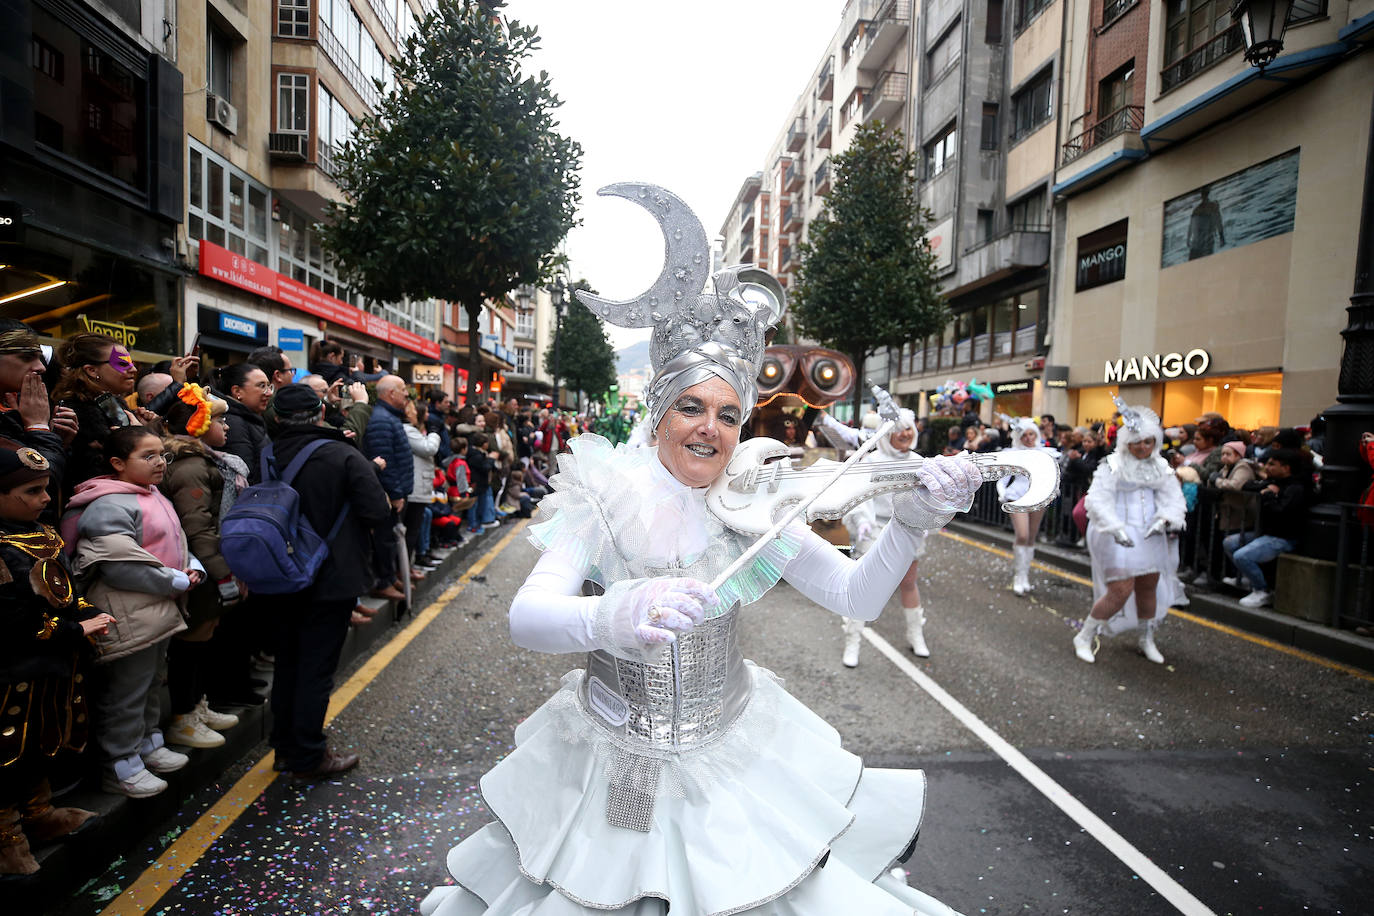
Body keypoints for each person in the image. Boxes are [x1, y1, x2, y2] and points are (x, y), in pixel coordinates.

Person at [420, 185, 980, 916]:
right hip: (624, 763)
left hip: (736, 749)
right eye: (690, 406)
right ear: (658, 412)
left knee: (761, 891)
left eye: (726, 413)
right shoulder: (604, 496)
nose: (709, 429)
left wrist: (910, 521)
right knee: (619, 890)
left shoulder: (754, 499)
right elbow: (527, 617)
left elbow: (853, 597)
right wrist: (614, 614)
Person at [63, 427, 202, 797]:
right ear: (117, 463)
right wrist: (177, 580)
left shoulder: (150, 494)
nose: (160, 463)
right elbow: (120, 564)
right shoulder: (109, 504)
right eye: (149, 456)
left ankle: (147, 746)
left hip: (154, 609)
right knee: (126, 692)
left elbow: (175, 539)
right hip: (129, 611)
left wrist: (193, 565)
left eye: (162, 455)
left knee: (151, 682)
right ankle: (120, 767)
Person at [262, 385, 392, 777]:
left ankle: (284, 748)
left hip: (276, 573)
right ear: (321, 412)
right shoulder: (342, 454)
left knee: (287, 663)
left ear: (279, 417)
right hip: (330, 576)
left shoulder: (266, 453)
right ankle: (308, 754)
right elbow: (377, 513)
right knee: (316, 668)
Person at [0, 440, 114, 876]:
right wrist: (73, 630)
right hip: (13, 673)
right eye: (31, 491)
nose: (46, 499)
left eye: (46, 488)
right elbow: (10, 622)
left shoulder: (44, 533)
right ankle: (8, 838)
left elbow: (65, 594)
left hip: (53, 667)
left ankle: (39, 814)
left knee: (41, 743)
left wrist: (86, 612)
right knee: (7, 752)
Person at [159, 385, 249, 750]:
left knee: (205, 635)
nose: (226, 426)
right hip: (202, 567)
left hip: (211, 564)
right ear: (198, 425)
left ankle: (197, 705)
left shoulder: (205, 460)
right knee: (192, 641)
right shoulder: (192, 465)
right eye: (218, 419)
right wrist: (223, 572)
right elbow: (198, 527)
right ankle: (183, 717)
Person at [817, 408, 932, 666]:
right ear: (886, 433)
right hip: (874, 529)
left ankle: (916, 635)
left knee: (909, 583)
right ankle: (853, 641)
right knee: (864, 587)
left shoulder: (919, 462)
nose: (905, 433)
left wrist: (926, 517)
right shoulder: (871, 460)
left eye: (908, 427)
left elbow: (926, 498)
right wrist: (863, 523)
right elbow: (859, 496)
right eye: (899, 428)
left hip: (908, 529)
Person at [1075, 402, 1185, 665]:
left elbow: (1174, 498)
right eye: (1138, 442)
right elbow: (1098, 499)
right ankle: (1084, 636)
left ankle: (1146, 638)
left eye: (1148, 442)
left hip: (1150, 533)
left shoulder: (1161, 466)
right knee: (1120, 590)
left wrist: (1166, 518)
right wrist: (1114, 526)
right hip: (1118, 534)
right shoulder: (1112, 464)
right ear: (1128, 442)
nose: (1143, 447)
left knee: (1148, 586)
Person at [0, 320, 75, 515]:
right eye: (27, 357)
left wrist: (55, 440)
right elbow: (35, 491)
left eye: (40, 358)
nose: (41, 367)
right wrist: (39, 428)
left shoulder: (11, 410)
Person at [50, 333, 140, 493]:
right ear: (91, 370)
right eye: (122, 363)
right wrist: (137, 436)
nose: (133, 369)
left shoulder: (111, 402)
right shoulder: (73, 411)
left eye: (131, 362)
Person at [1222, 449, 1310, 608]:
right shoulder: (1274, 483)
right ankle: (1247, 578)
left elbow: (1282, 512)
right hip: (1265, 533)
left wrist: (1269, 496)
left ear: (1286, 468)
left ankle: (1262, 590)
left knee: (1242, 556)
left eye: (1272, 464)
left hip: (1282, 536)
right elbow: (1248, 486)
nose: (1267, 467)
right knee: (1230, 543)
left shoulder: (1295, 488)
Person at [363, 375, 414, 595]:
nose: (407, 394)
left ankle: (390, 577)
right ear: (391, 393)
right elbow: (385, 460)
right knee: (384, 539)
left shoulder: (389, 417)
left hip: (396, 490)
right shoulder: (382, 419)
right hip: (388, 494)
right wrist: (395, 493)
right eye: (403, 389)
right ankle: (383, 582)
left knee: (391, 538)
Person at [1000, 418, 1058, 596]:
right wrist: (1002, 493)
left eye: (1031, 434)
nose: (1028, 438)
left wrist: (1051, 490)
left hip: (1039, 496)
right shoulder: (1013, 454)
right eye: (1024, 435)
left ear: (1037, 434)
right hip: (1016, 496)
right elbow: (1002, 478)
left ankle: (1025, 575)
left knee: (1032, 537)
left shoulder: (1046, 453)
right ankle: (1018, 576)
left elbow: (1052, 475)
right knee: (1022, 535)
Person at [217, 362, 273, 485]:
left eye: (269, 386)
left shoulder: (250, 418)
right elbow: (245, 476)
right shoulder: (234, 424)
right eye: (262, 386)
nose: (269, 393)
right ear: (237, 391)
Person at [404, 398, 441, 576]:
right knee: (410, 531)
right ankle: (405, 568)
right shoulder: (409, 430)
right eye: (424, 412)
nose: (428, 416)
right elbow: (428, 448)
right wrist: (434, 433)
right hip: (415, 487)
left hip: (420, 485)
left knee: (416, 528)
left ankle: (409, 565)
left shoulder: (415, 431)